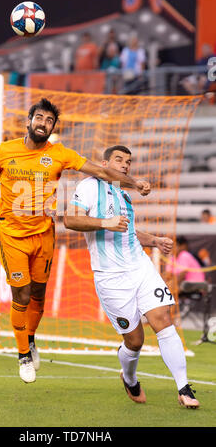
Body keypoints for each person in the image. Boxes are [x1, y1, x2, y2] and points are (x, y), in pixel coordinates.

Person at [0, 99, 150, 384]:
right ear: (29, 121)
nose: (43, 123)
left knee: (39, 293)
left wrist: (134, 182)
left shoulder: (61, 153)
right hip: (12, 234)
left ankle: (30, 337)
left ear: (52, 127)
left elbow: (100, 171)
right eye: (39, 117)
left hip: (44, 233)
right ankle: (23, 354)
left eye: (49, 120)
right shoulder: (5, 151)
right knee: (22, 295)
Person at [64, 145, 199, 408]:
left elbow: (127, 232)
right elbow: (70, 220)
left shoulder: (123, 194)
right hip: (111, 277)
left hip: (140, 267)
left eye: (128, 161)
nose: (125, 165)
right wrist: (105, 222)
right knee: (135, 340)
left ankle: (184, 388)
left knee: (162, 319)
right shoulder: (90, 186)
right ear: (104, 163)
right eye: (119, 160)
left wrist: (154, 240)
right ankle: (129, 377)